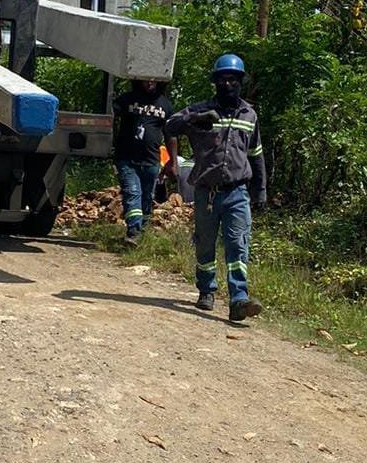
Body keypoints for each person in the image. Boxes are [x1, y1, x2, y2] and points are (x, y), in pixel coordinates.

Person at [164, 53, 266, 322]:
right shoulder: (200, 110)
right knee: (205, 245)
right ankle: (206, 290)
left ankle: (238, 299)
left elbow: (256, 155)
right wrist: (192, 120)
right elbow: (169, 125)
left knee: (237, 244)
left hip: (237, 192)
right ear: (215, 82)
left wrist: (261, 190)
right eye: (222, 80)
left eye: (233, 80)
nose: (228, 85)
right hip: (206, 193)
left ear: (240, 82)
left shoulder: (250, 115)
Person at [111, 79, 178, 245]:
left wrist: (173, 162)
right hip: (127, 158)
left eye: (154, 79)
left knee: (147, 198)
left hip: (151, 161)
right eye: (146, 79)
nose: (150, 82)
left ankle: (142, 233)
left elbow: (171, 136)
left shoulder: (165, 105)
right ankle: (133, 230)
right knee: (132, 192)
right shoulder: (127, 99)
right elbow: (109, 117)